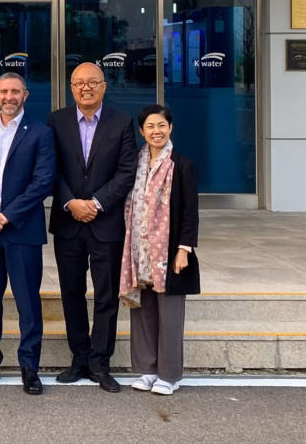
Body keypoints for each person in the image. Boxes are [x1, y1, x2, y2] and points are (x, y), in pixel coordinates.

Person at [46, 62, 137, 392]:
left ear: (104, 86)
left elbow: (127, 173)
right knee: (71, 293)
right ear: (71, 88)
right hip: (67, 221)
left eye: (92, 82)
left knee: (106, 295)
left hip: (106, 223)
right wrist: (71, 202)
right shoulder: (56, 121)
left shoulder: (122, 123)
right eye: (79, 83)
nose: (86, 88)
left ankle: (101, 362)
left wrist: (95, 203)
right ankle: (79, 358)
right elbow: (48, 169)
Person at [0, 72, 56, 393]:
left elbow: (42, 183)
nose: (9, 96)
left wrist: (7, 216)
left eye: (15, 91)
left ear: (25, 95)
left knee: (28, 303)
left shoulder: (41, 133)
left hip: (21, 229)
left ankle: (29, 367)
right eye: (3, 91)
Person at [121, 104, 200, 396]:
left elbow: (190, 211)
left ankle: (169, 375)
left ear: (171, 128)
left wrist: (184, 249)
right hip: (138, 250)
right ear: (142, 131)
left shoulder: (182, 164)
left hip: (168, 251)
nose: (157, 131)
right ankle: (149, 370)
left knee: (169, 314)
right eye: (151, 127)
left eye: (162, 126)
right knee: (144, 312)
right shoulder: (134, 164)